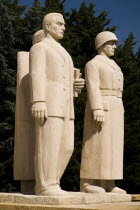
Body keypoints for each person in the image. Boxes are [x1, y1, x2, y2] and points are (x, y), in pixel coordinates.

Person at [29, 13, 84, 196]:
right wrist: (38, 100)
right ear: (47, 26)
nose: (63, 27)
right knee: (48, 144)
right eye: (59, 24)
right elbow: (37, 74)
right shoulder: (40, 47)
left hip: (66, 103)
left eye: (64, 24)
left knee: (67, 146)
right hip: (50, 100)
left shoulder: (62, 51)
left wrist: (76, 87)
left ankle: (54, 182)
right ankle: (45, 186)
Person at [80, 31, 126, 194]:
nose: (114, 47)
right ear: (101, 45)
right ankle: (87, 182)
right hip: (102, 104)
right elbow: (92, 86)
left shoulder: (114, 65)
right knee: (96, 144)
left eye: (115, 44)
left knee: (112, 146)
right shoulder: (94, 64)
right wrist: (96, 107)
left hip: (115, 106)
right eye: (111, 43)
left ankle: (108, 182)